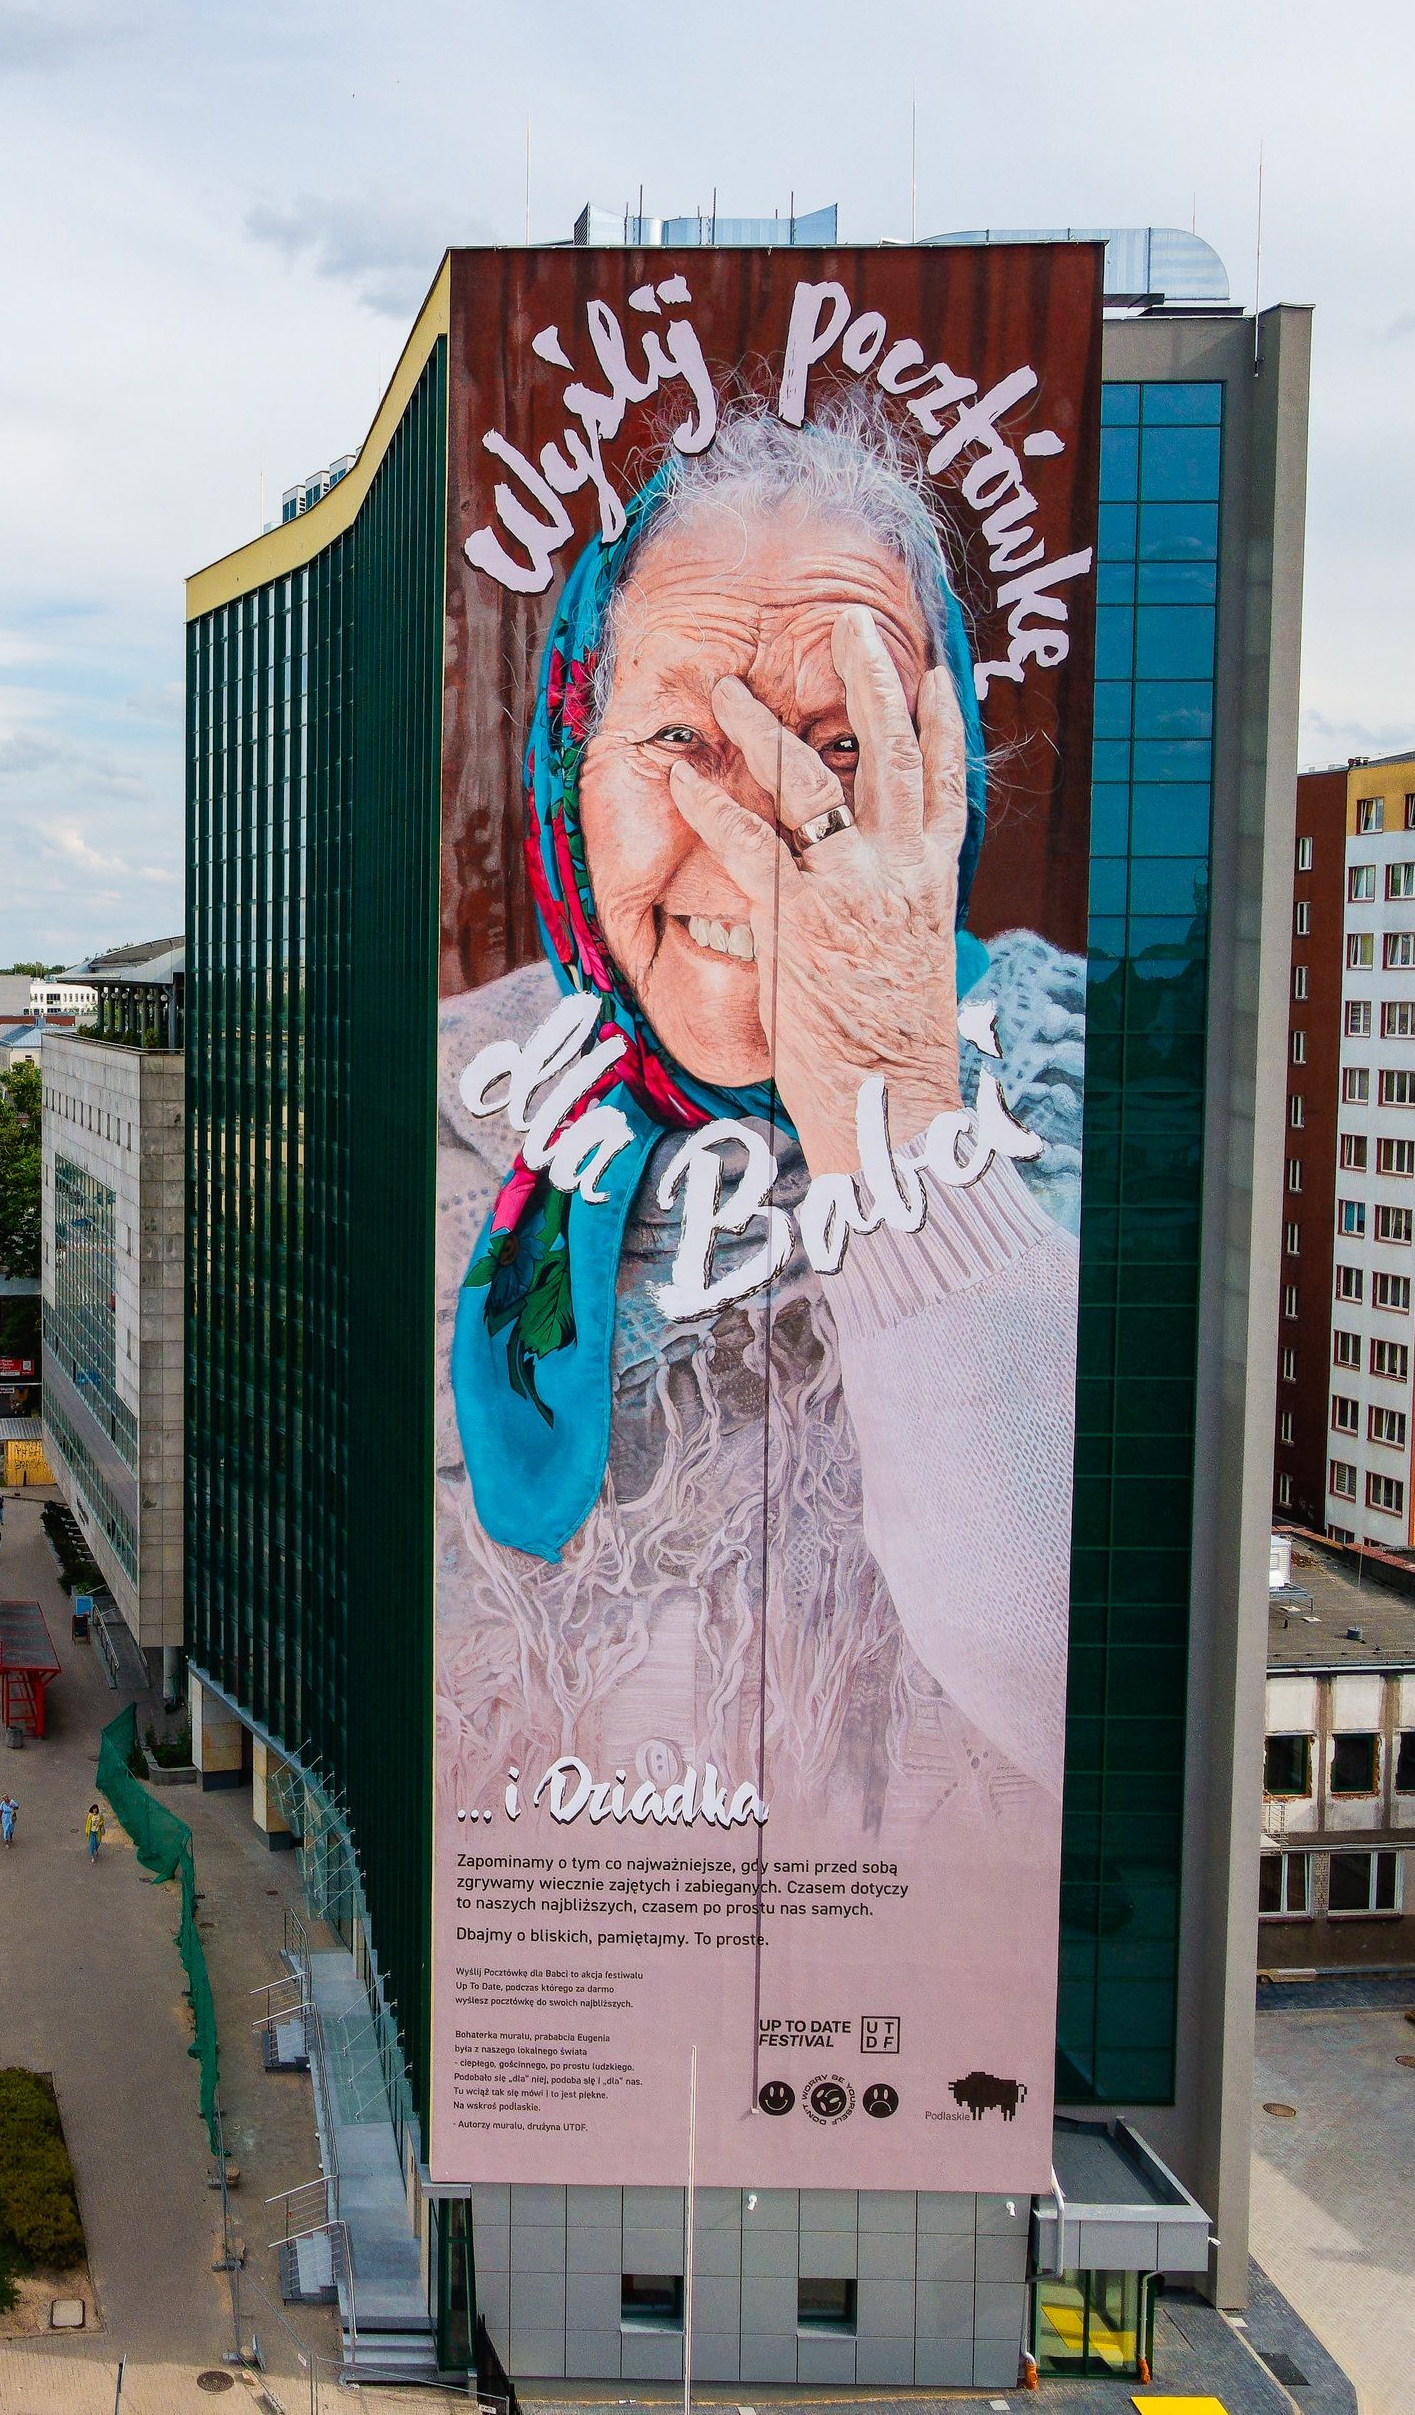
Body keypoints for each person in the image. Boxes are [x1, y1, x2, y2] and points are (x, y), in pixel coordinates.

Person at [437, 397, 1082, 1821]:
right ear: (573, 772)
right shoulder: (439, 1097)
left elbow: (1084, 1688)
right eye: (683, 734)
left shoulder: (1083, 1069)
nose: (761, 836)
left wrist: (890, 1098)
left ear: (946, 773)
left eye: (844, 747)